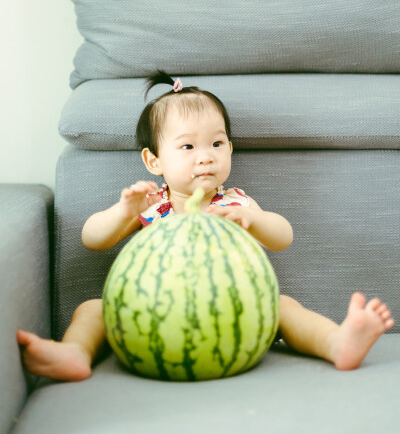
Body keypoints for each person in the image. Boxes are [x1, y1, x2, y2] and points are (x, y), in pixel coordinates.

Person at [17, 71, 394, 381]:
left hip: (234, 312)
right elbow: (92, 239)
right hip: (150, 312)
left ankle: (336, 342)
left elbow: (283, 237)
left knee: (282, 305)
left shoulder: (234, 204)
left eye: (216, 143)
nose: (205, 158)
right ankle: (74, 354)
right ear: (153, 161)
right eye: (187, 148)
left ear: (230, 149)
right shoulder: (152, 205)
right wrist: (122, 211)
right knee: (92, 309)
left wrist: (255, 220)